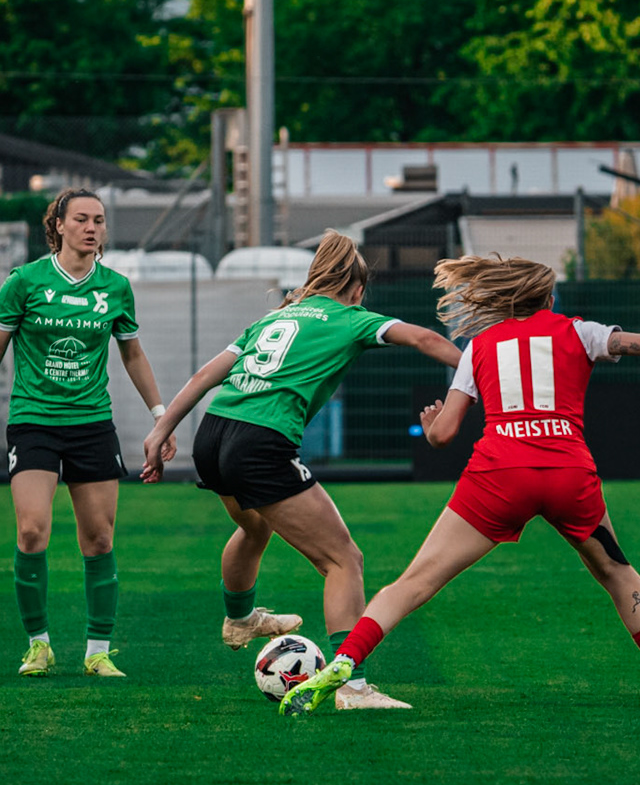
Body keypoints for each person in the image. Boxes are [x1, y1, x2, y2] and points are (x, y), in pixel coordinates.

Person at [281, 254, 640, 717]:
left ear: (506, 301)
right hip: (568, 474)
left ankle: (346, 661)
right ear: (547, 300)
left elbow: (444, 435)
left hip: (499, 475)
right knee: (618, 573)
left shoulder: (479, 346)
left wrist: (430, 428)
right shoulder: (580, 332)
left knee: (415, 582)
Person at [141, 230, 463, 710]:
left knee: (254, 527)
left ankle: (240, 619)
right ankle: (353, 688)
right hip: (259, 441)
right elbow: (423, 338)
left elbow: (205, 375)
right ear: (357, 289)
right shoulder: (351, 317)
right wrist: (477, 373)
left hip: (213, 432)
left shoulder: (275, 317)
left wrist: (161, 429)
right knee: (343, 560)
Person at [0, 187, 176, 679]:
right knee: (32, 531)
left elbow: (133, 354)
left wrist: (161, 417)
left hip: (91, 424)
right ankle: (39, 646)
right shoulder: (25, 282)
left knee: (98, 539)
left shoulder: (116, 287)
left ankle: (98, 652)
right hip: (34, 421)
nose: (92, 228)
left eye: (99, 220)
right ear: (58, 226)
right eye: (81, 219)